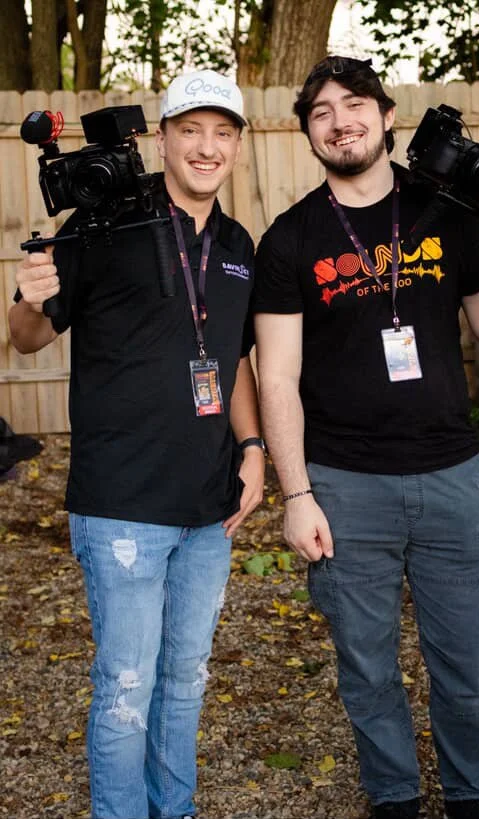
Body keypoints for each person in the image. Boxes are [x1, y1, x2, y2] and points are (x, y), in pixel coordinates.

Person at [253, 56, 479, 819]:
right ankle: (392, 796)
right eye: (320, 112)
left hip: (450, 475)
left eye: (354, 104)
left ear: (387, 117)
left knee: (469, 658)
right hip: (344, 482)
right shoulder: (290, 239)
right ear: (308, 134)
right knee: (365, 661)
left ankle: (469, 796)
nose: (339, 120)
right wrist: (296, 495)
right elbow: (275, 378)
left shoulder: (447, 213)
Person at [9, 68, 265, 819]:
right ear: (163, 138)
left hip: (209, 506)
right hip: (121, 505)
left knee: (185, 676)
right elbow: (25, 340)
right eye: (191, 130)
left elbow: (234, 360)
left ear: (238, 148)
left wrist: (252, 449)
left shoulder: (239, 243)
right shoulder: (100, 222)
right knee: (126, 683)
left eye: (222, 133)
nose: (206, 147)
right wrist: (25, 296)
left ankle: (174, 808)